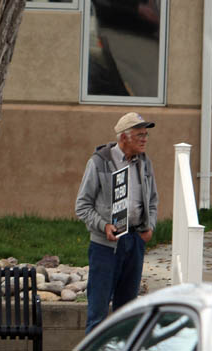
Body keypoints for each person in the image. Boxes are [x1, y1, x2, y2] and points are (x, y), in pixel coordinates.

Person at [75, 112, 158, 334]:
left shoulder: (145, 162)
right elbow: (82, 206)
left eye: (146, 134)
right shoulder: (99, 162)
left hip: (135, 242)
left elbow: (152, 200)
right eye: (139, 135)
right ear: (124, 138)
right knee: (98, 315)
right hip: (105, 246)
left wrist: (150, 226)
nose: (145, 139)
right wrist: (104, 226)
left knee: (127, 314)